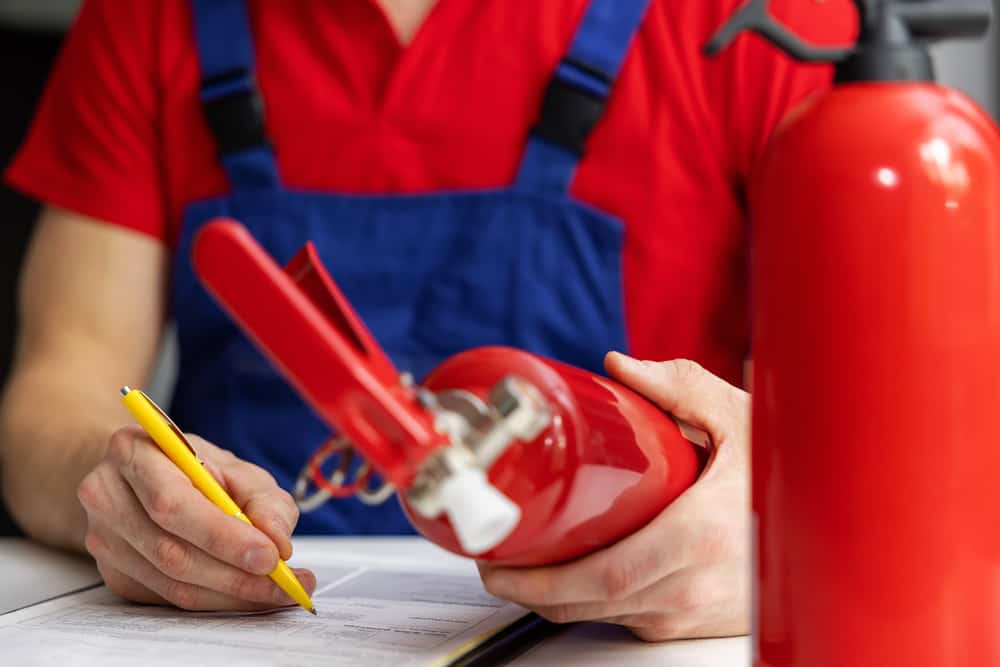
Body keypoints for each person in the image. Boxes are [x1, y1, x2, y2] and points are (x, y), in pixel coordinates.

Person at [0, 0, 853, 642]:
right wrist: (126, 494)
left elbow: (928, 430)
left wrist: (790, 525)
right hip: (259, 631)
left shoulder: (761, 24)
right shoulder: (150, 18)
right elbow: (54, 396)